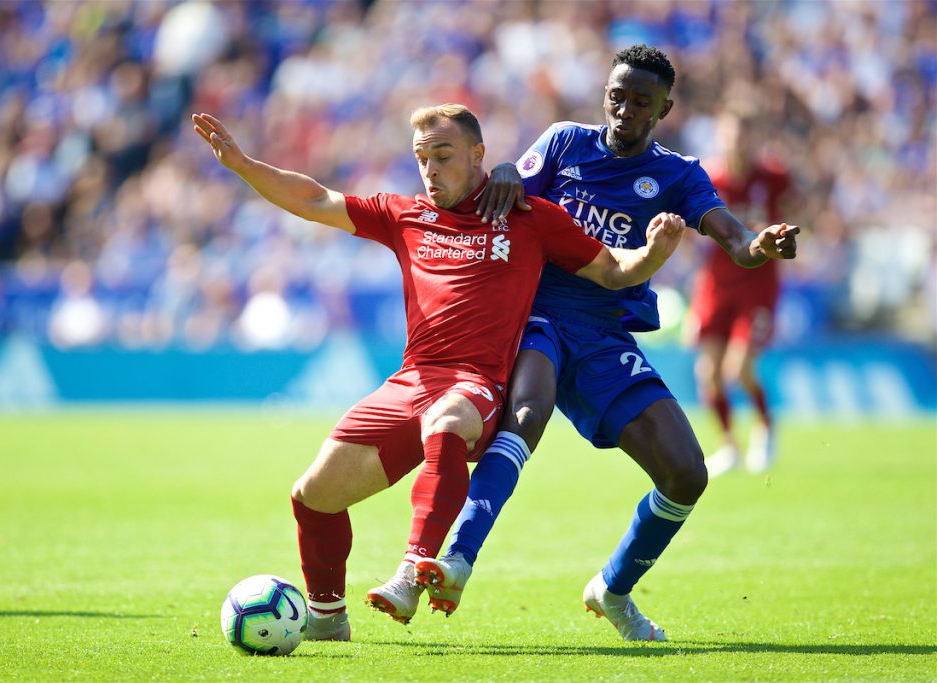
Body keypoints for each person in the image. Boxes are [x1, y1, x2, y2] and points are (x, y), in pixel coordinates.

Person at [192, 103, 687, 642]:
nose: (430, 169)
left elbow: (613, 270)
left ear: (478, 155)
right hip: (411, 382)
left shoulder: (530, 218)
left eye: (443, 156)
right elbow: (313, 198)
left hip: (479, 384)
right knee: (312, 495)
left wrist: (653, 253)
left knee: (448, 421)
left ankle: (412, 570)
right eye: (422, 157)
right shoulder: (403, 214)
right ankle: (328, 617)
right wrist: (242, 164)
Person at [413, 45, 799, 642]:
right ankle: (458, 558)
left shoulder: (680, 176)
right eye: (617, 97)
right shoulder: (566, 142)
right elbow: (512, 179)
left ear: (664, 108)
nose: (624, 110)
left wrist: (762, 244)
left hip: (603, 338)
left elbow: (736, 238)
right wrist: (511, 170)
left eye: (640, 102)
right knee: (526, 413)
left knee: (686, 475)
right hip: (536, 314)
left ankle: (613, 589)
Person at [691, 110, 798, 477]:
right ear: (720, 136)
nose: (736, 142)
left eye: (742, 134)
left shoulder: (773, 177)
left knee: (740, 368)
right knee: (709, 373)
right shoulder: (709, 178)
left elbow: (799, 213)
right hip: (716, 284)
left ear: (752, 138)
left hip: (758, 285)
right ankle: (729, 447)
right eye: (729, 134)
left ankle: (766, 428)